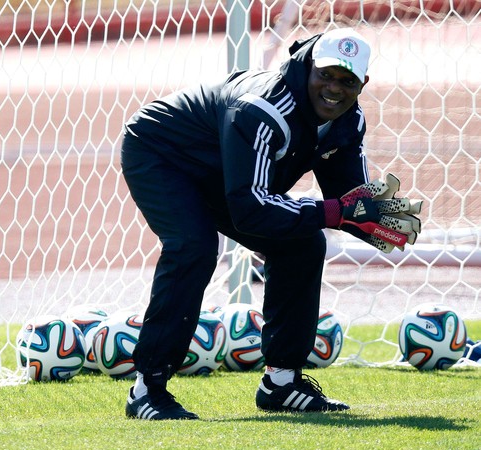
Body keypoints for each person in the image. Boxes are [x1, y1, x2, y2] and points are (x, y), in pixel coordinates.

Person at [120, 27, 422, 420]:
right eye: (326, 75)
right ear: (309, 68)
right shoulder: (263, 109)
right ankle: (147, 389)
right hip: (162, 154)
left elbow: (349, 200)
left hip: (226, 175)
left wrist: (375, 222)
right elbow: (250, 208)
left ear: (363, 83)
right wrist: (338, 213)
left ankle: (281, 383)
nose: (334, 88)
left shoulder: (348, 122)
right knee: (193, 246)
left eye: (347, 80)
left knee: (304, 245)